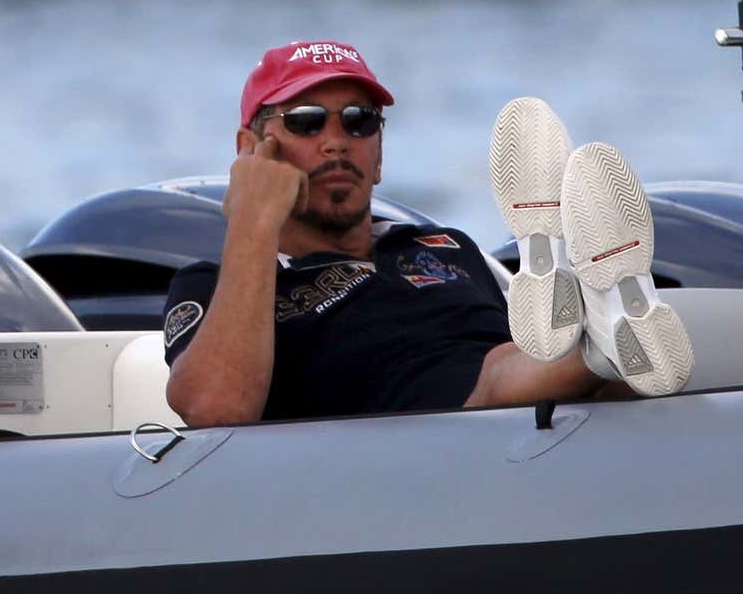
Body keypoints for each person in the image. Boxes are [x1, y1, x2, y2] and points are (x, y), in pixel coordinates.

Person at [162, 39, 693, 426]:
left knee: (515, 363)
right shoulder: (211, 287)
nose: (336, 142)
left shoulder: (444, 246)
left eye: (358, 120)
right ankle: (597, 317)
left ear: (379, 154)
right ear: (249, 150)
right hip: (408, 446)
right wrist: (255, 220)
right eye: (305, 121)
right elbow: (216, 410)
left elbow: (500, 361)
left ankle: (602, 332)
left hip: (510, 417)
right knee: (485, 385)